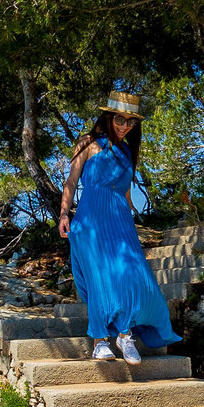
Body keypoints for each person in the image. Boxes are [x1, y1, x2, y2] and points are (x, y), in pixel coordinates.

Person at [58, 93, 175, 364]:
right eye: (120, 119)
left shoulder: (126, 152)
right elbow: (71, 182)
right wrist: (64, 214)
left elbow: (124, 194)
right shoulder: (87, 142)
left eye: (130, 122)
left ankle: (124, 336)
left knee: (133, 276)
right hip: (90, 219)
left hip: (119, 221)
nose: (124, 126)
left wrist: (132, 225)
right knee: (100, 278)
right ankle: (100, 341)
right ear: (109, 117)